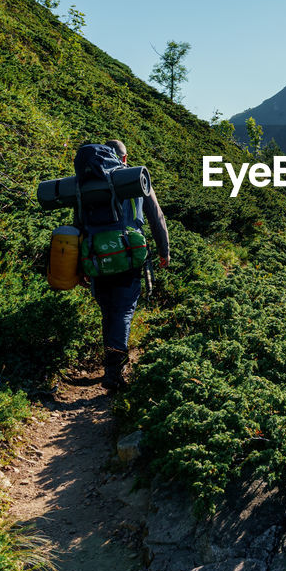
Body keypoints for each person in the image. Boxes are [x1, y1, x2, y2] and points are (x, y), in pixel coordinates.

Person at [81, 138, 170, 391]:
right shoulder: (134, 178)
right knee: (124, 310)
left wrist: (81, 264)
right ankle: (113, 373)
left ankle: (111, 363)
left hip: (96, 256)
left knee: (109, 310)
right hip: (128, 255)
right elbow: (156, 216)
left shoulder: (87, 183)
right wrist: (164, 251)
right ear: (124, 157)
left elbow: (79, 223)